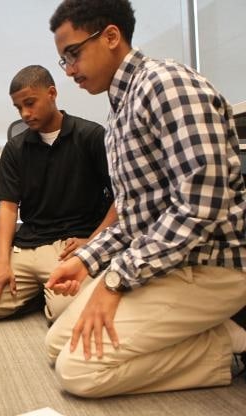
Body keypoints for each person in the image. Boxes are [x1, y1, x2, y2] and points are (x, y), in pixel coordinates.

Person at [45, 0, 246, 398]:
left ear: (111, 36)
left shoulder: (165, 84)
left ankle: (232, 348)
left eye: (73, 54)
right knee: (56, 345)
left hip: (212, 265)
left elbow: (201, 204)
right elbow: (136, 220)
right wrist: (85, 262)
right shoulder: (119, 111)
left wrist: (116, 280)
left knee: (77, 371)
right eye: (63, 60)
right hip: (170, 262)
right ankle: (206, 328)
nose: (68, 70)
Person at [0, 65, 116, 323]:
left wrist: (92, 242)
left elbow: (122, 198)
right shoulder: (16, 148)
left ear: (52, 93)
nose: (25, 114)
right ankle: (41, 293)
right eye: (18, 108)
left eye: (30, 103)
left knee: (64, 312)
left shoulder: (91, 136)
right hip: (29, 245)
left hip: (69, 246)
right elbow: (8, 208)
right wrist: (2, 261)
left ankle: (49, 293)